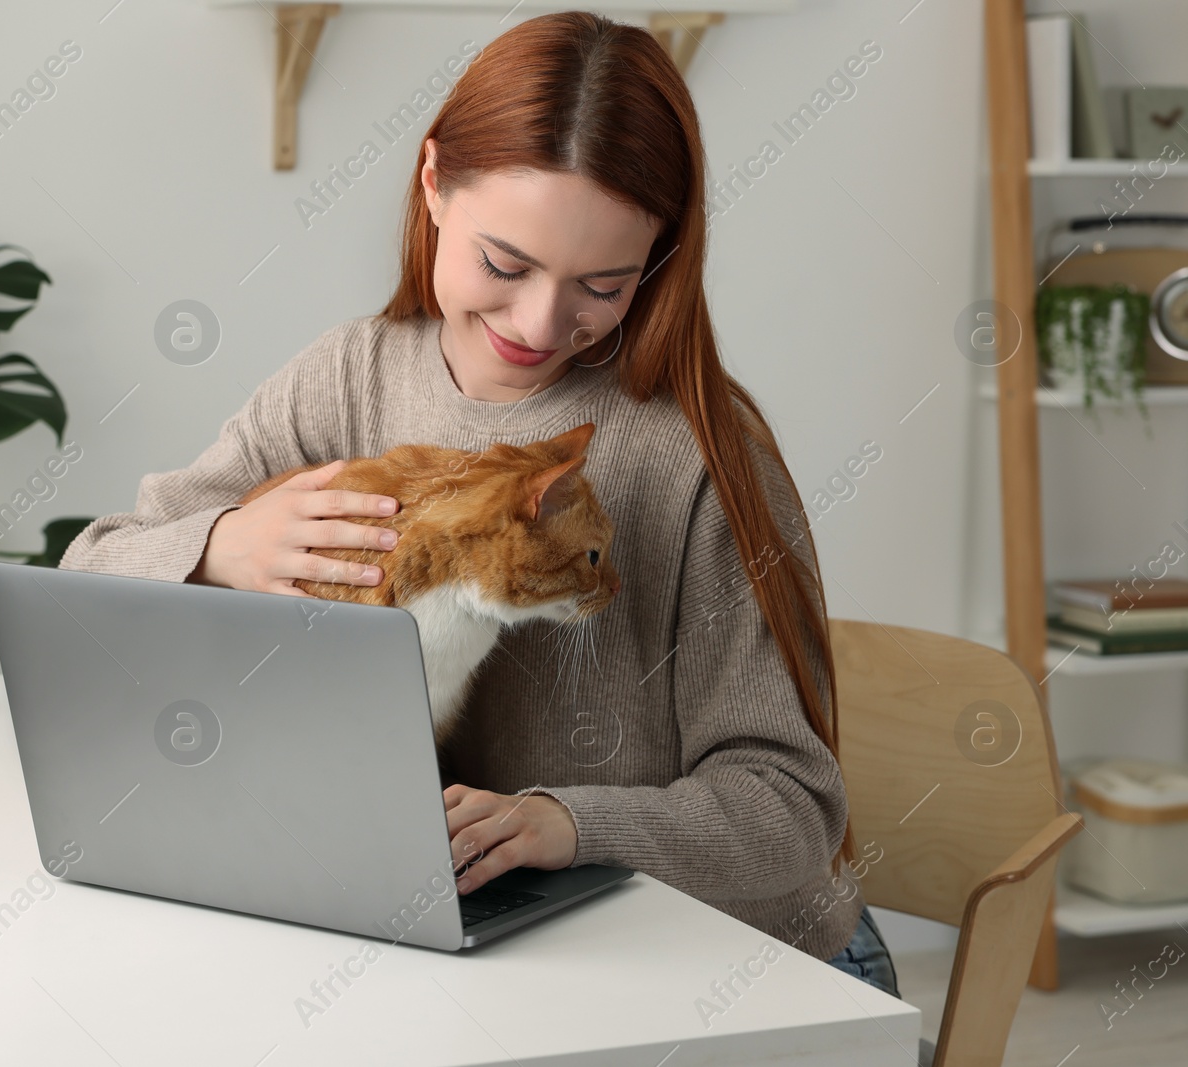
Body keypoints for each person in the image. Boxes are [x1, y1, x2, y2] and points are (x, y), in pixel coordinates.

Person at [60, 10, 899, 997]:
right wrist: (226, 545)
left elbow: (790, 808)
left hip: (749, 970)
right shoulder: (346, 380)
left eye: (604, 283)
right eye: (505, 264)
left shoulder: (699, 453)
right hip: (501, 952)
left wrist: (571, 820)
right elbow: (96, 562)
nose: (541, 322)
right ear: (432, 186)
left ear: (658, 262)